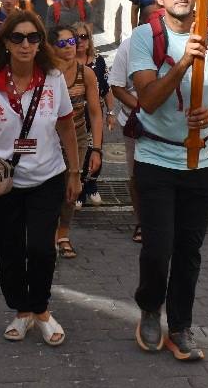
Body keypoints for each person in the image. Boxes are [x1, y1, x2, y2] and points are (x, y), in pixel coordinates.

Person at [128, 0, 208, 362]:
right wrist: (181, 64)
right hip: (156, 159)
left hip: (202, 161)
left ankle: (180, 326)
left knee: (189, 251)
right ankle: (148, 305)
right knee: (158, 248)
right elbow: (149, 100)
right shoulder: (144, 39)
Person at [0, 11, 82, 346]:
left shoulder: (53, 78)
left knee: (41, 249)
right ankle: (21, 310)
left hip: (48, 177)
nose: (26, 44)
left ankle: (41, 309)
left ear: (41, 43)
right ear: (4, 43)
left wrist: (75, 172)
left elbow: (66, 126)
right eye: (17, 37)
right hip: (3, 182)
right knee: (10, 251)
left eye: (33, 37)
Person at [49, 23, 104, 259]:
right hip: (50, 140)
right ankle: (48, 233)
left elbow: (94, 112)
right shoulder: (47, 74)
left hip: (79, 137)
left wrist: (97, 149)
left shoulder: (86, 73)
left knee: (72, 187)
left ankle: (63, 234)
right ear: (52, 48)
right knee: (50, 190)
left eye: (72, 41)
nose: (70, 46)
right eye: (62, 43)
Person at [75, 20, 114, 206]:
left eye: (84, 37)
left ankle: (92, 185)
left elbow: (106, 88)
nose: (80, 41)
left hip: (94, 115)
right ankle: (80, 189)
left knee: (96, 150)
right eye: (76, 38)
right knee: (79, 153)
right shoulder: (67, 63)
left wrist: (111, 112)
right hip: (75, 117)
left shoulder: (98, 61)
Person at [107, 35, 142, 242]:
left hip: (172, 126)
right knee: (136, 175)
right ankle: (142, 221)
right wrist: (144, 109)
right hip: (135, 123)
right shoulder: (129, 45)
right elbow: (116, 87)